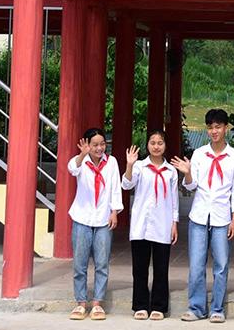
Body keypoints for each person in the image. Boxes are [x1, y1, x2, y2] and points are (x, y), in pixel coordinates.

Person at [171, 108, 234, 322]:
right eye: (210, 127)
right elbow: (192, 186)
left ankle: (217, 309)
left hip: (222, 217)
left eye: (218, 127)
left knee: (221, 265)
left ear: (226, 129)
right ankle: (196, 308)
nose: (214, 131)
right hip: (199, 216)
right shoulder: (200, 154)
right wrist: (188, 172)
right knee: (196, 265)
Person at [67, 128, 122, 321]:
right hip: (82, 218)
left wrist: (115, 211)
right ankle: (81, 302)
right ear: (88, 145)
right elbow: (72, 168)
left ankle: (98, 303)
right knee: (80, 264)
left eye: (102, 144)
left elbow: (116, 187)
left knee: (102, 263)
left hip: (103, 219)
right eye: (95, 144)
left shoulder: (112, 162)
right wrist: (82, 154)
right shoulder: (82, 162)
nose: (99, 148)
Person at [123, 130, 178, 321]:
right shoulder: (139, 166)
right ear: (147, 145)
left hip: (162, 224)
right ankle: (140, 305)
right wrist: (129, 165)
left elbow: (174, 200)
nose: (156, 146)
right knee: (140, 268)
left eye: (160, 143)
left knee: (161, 268)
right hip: (141, 225)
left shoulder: (171, 171)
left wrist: (174, 223)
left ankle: (159, 306)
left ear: (165, 145)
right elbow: (127, 184)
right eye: (152, 142)